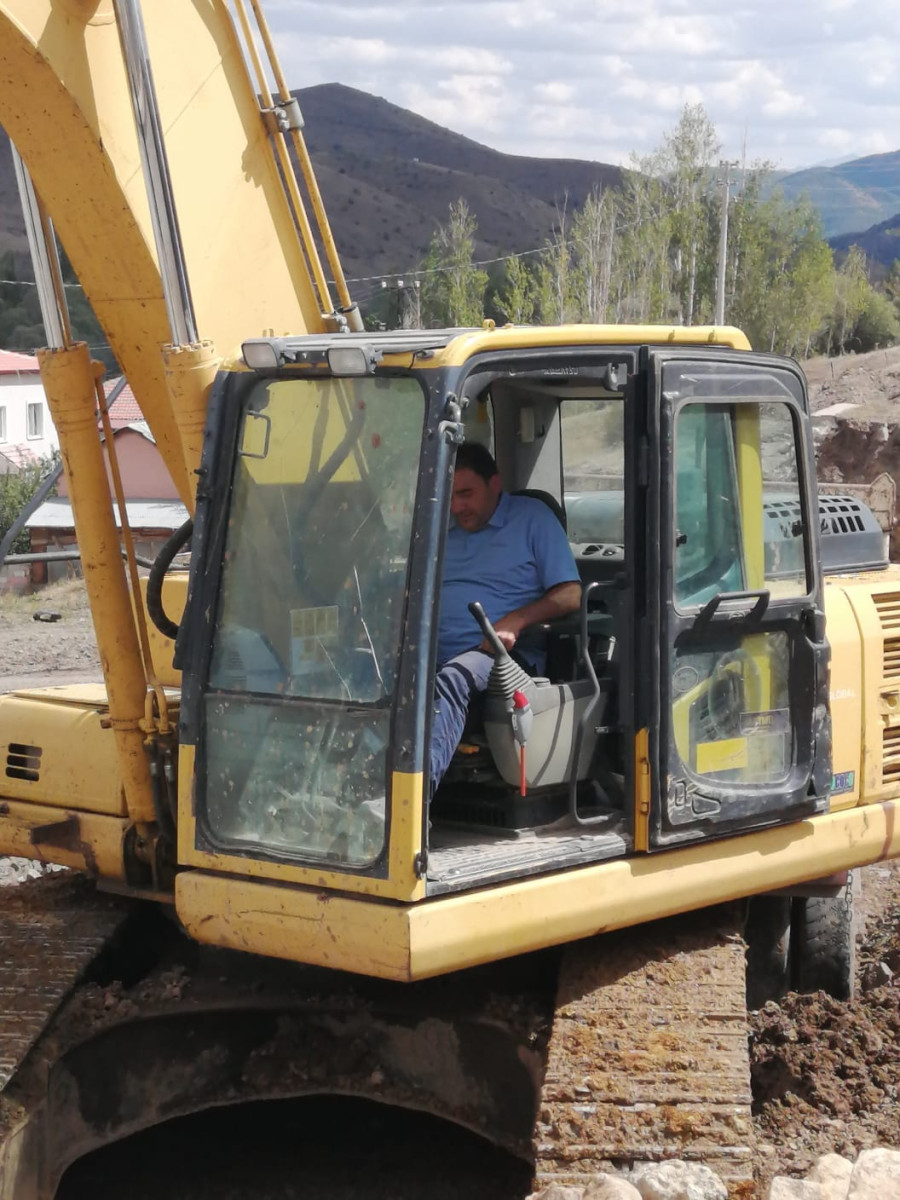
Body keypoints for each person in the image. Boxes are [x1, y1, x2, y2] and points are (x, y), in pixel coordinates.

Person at [430, 443, 581, 789]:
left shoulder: (532, 519)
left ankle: (407, 803)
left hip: (501, 657)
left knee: (454, 676)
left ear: (495, 484)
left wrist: (516, 620)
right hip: (430, 651)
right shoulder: (440, 526)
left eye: (466, 494)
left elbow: (571, 595)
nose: (457, 507)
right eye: (450, 496)